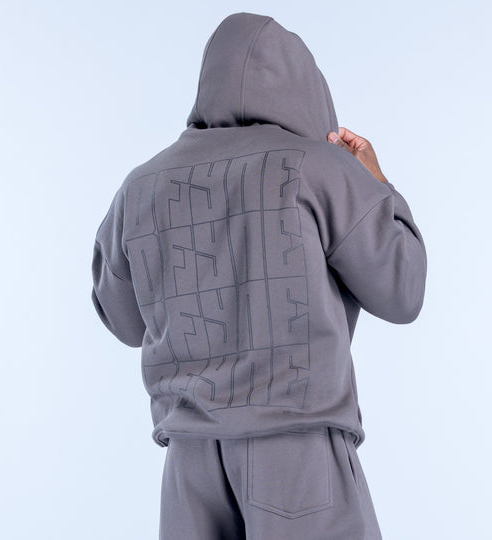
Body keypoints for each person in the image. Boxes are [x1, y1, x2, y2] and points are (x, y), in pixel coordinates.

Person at [91, 11, 427, 540]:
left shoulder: (141, 186)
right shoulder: (319, 167)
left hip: (189, 461)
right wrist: (377, 183)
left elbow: (125, 322)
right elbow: (401, 291)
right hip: (296, 452)